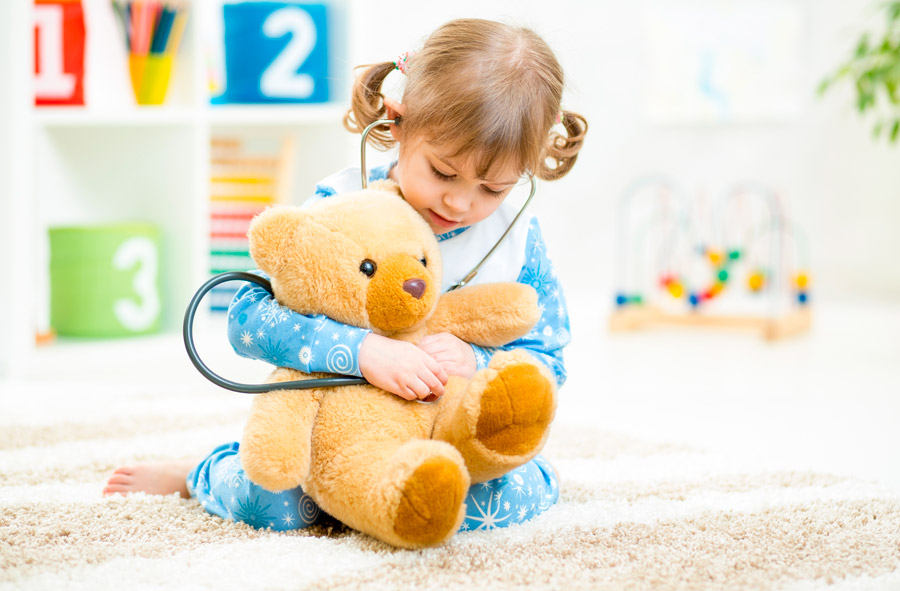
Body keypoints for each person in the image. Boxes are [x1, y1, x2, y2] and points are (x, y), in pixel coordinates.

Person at [105, 18, 587, 533]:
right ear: (397, 122)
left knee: (507, 495)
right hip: (339, 429)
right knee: (277, 505)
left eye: (493, 189)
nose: (461, 201)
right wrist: (360, 351)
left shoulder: (517, 240)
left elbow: (548, 361)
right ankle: (201, 472)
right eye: (443, 172)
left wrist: (478, 359)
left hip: (443, 433)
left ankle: (391, 497)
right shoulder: (341, 208)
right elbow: (247, 320)